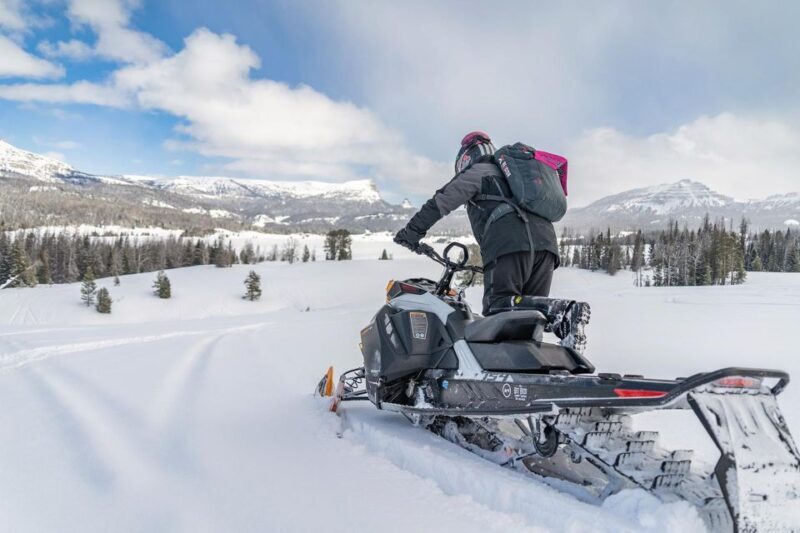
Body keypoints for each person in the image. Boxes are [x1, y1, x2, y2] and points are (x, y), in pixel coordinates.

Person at [394, 131, 590, 352]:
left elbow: (442, 200)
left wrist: (411, 233)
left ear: (466, 158)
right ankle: (529, 376)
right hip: (547, 247)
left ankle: (564, 312)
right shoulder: (519, 178)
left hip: (509, 244)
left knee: (498, 306)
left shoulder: (480, 171)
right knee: (526, 319)